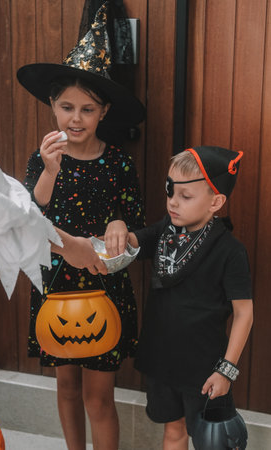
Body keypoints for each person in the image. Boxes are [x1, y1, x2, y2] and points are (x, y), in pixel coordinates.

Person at [17, 3, 145, 450]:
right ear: (52, 106)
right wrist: (49, 170)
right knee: (67, 387)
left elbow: (136, 223)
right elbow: (32, 216)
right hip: (53, 284)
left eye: (87, 109)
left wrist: (118, 219)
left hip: (102, 288)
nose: (75, 119)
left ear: (103, 111)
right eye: (66, 107)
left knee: (98, 396)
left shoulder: (118, 163)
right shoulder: (42, 160)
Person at [104, 146, 253, 450]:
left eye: (186, 197)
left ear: (216, 201)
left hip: (204, 368)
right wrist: (117, 225)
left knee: (210, 441)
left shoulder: (230, 252)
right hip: (163, 360)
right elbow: (130, 242)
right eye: (170, 191)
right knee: (173, 432)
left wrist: (226, 371)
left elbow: (244, 314)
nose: (173, 202)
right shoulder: (163, 232)